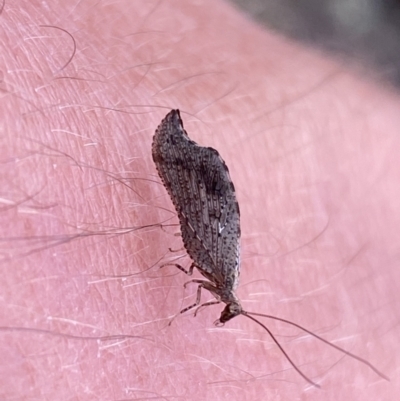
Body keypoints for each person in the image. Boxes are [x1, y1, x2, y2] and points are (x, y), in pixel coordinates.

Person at [1, 1, 398, 399]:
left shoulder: (220, 277)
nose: (226, 310)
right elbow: (200, 236)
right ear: (228, 302)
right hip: (201, 216)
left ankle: (178, 151)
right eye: (229, 309)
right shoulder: (220, 273)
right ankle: (177, 149)